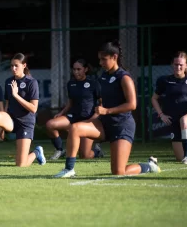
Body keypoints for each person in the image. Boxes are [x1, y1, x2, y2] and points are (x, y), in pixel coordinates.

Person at [54, 41, 161, 178]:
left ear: (114, 57)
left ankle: (149, 166)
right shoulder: (103, 76)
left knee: (118, 172)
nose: (100, 63)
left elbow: (132, 104)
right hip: (104, 123)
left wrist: (107, 111)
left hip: (122, 126)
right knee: (75, 128)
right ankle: (69, 169)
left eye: (104, 59)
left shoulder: (124, 77)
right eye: (99, 59)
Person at [0, 53, 46, 169]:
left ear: (24, 65)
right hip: (11, 120)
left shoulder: (32, 82)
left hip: (25, 123)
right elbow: (7, 104)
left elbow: (33, 108)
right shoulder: (8, 81)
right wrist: (1, 127)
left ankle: (37, 152)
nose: (13, 68)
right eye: (11, 66)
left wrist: (16, 95)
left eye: (16, 66)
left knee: (21, 164)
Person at [46, 59, 104, 160]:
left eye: (79, 69)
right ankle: (60, 150)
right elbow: (70, 102)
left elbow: (102, 103)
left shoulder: (94, 83)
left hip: (88, 120)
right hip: (73, 117)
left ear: (85, 69)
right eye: (74, 69)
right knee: (50, 124)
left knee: (84, 156)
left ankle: (97, 151)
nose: (76, 72)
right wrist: (61, 112)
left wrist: (94, 118)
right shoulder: (71, 84)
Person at [151, 51, 187, 165]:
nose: (178, 67)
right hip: (174, 121)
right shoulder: (164, 80)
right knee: (179, 157)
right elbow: (154, 99)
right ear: (172, 64)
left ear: (186, 65)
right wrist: (161, 114)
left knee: (185, 120)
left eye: (181, 64)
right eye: (176, 64)